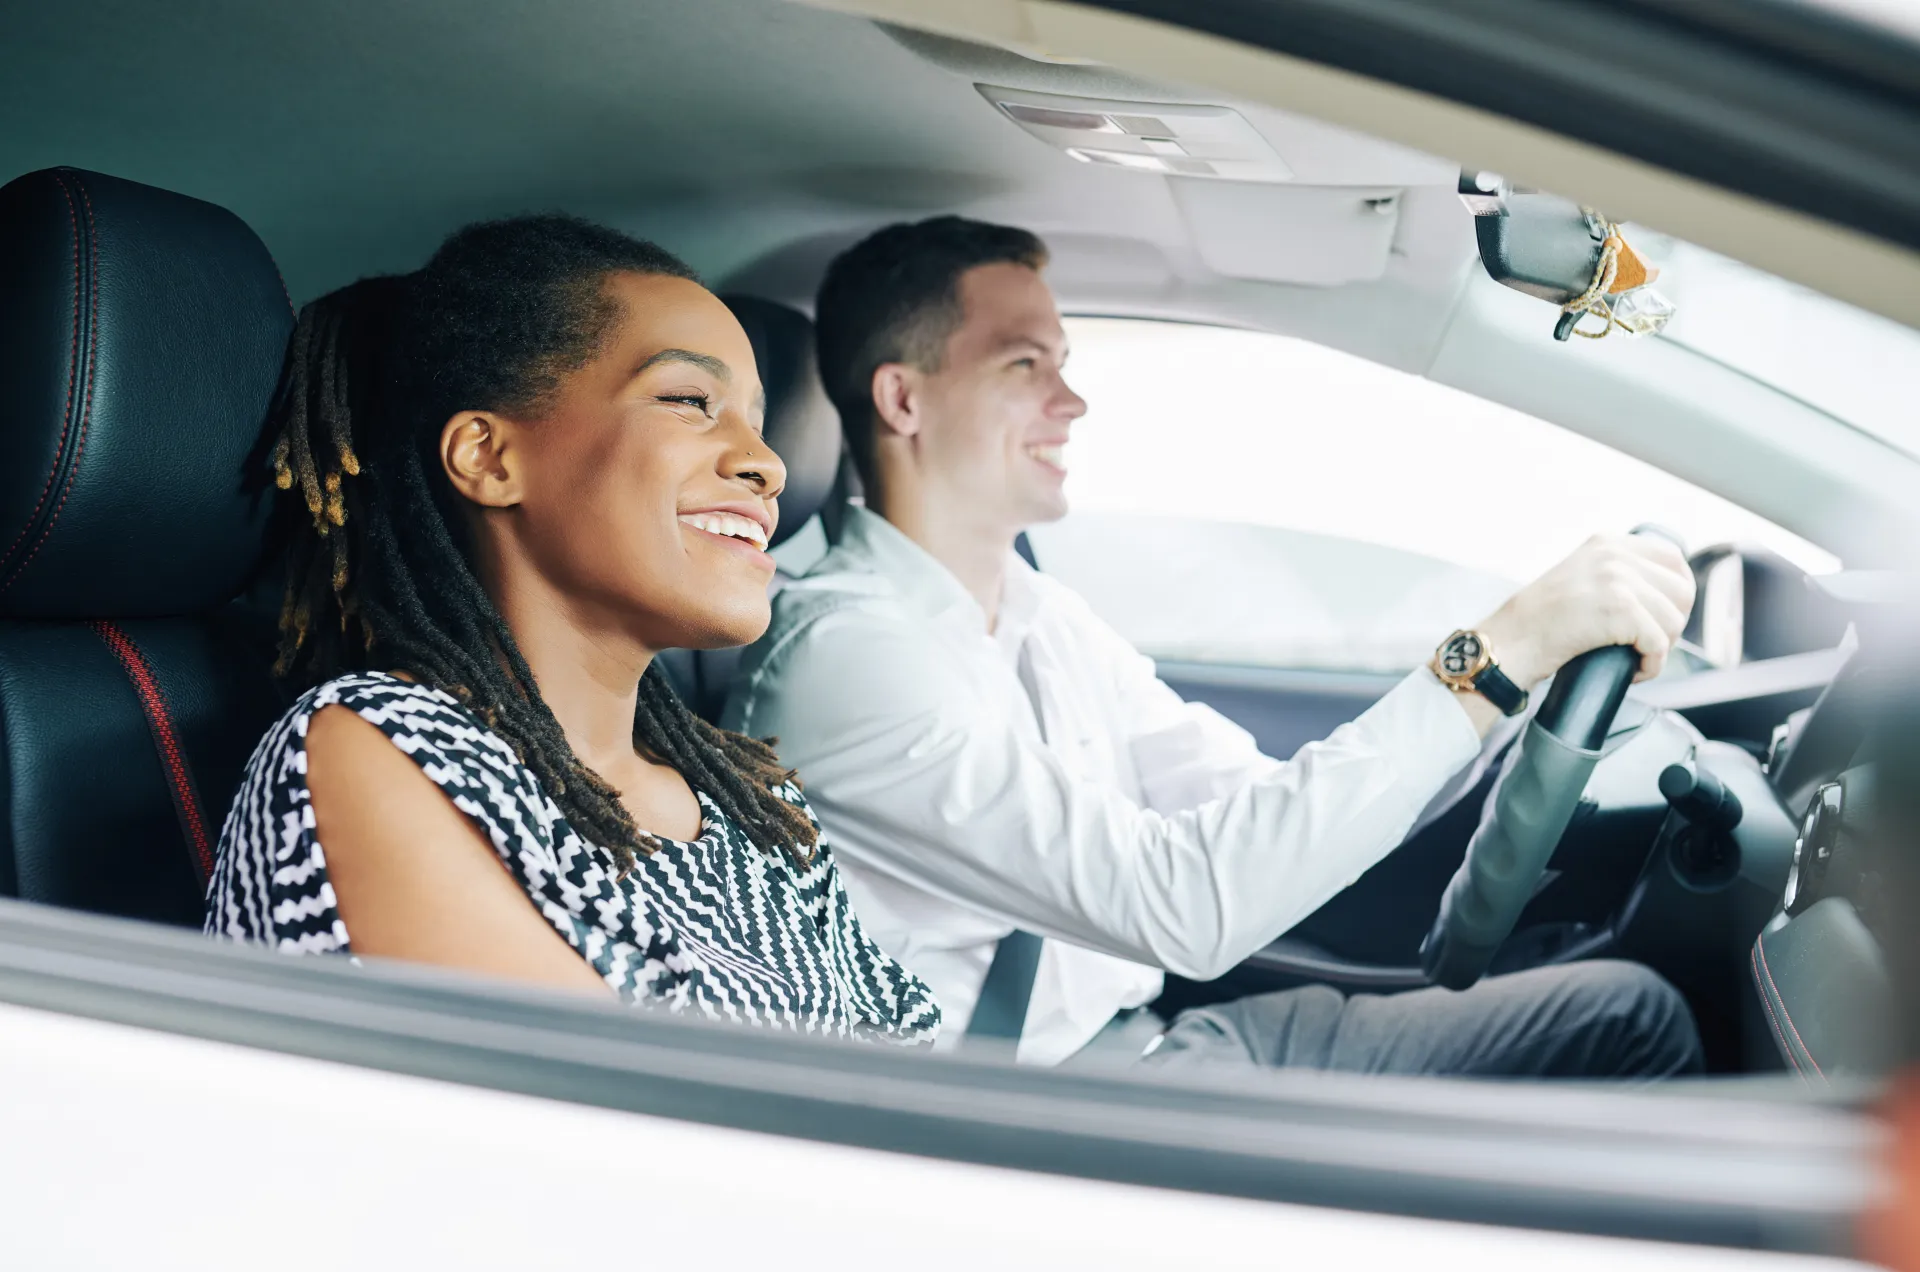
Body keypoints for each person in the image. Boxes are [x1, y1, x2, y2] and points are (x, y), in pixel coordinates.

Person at [723, 215, 1703, 1074]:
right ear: (903, 401)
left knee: (1627, 1012)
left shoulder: (1034, 610)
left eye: (1063, 363)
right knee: (1631, 1036)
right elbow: (1187, 903)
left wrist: (1506, 706)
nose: (1072, 402)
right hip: (1039, 1116)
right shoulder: (843, 657)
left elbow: (1248, 808)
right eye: (1026, 365)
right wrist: (1491, 657)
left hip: (1156, 1043)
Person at [206, 215, 939, 1046]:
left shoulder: (757, 806)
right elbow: (618, 1106)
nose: (765, 464)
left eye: (759, 422)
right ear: (489, 458)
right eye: (689, 401)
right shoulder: (384, 748)